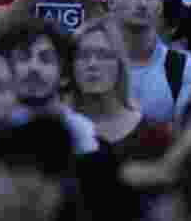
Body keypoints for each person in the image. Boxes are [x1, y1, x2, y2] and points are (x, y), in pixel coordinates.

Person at [109, 0, 191, 123]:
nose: (142, 3)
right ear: (112, 2)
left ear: (158, 5)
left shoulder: (185, 70)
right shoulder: (90, 60)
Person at [68, 19, 173, 161]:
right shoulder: (57, 129)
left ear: (120, 65)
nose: (92, 64)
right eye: (83, 55)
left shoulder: (154, 135)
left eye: (103, 55)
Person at [0, 17, 98, 155]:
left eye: (45, 59)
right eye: (23, 57)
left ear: (64, 75)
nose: (34, 67)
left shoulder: (81, 132)